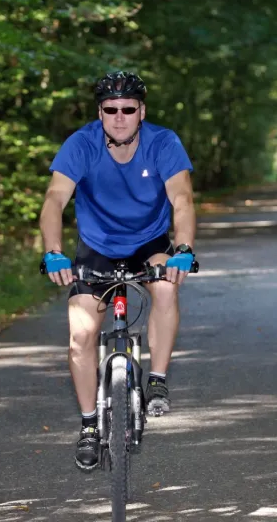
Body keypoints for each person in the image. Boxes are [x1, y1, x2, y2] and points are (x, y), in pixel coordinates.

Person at [39, 70, 197, 471]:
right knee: (81, 334)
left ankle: (157, 379)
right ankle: (90, 425)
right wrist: (54, 252)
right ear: (100, 113)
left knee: (165, 287)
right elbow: (56, 199)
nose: (120, 116)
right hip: (97, 246)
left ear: (141, 110)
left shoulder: (164, 143)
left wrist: (183, 249)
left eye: (129, 108)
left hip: (150, 241)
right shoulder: (81, 144)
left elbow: (182, 199)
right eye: (111, 109)